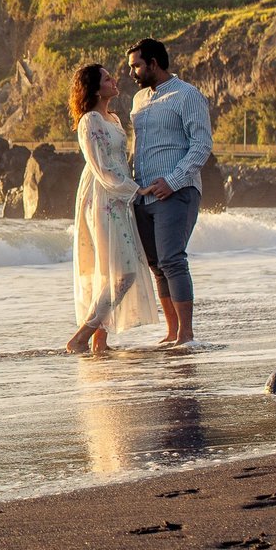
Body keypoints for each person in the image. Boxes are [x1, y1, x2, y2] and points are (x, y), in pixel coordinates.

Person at [125, 37, 214, 346]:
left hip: (177, 192)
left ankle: (187, 334)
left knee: (172, 259)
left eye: (136, 65)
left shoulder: (187, 96)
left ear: (153, 63)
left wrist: (173, 181)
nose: (132, 72)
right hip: (143, 195)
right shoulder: (138, 101)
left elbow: (202, 145)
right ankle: (172, 332)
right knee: (156, 265)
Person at [66, 63, 159, 354]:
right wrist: (135, 190)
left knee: (114, 269)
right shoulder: (90, 120)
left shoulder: (115, 119)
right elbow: (101, 167)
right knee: (123, 272)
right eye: (107, 78)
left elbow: (121, 161)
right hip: (102, 197)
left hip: (120, 197)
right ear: (94, 88)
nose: (113, 79)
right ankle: (82, 335)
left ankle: (99, 342)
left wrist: (131, 189)